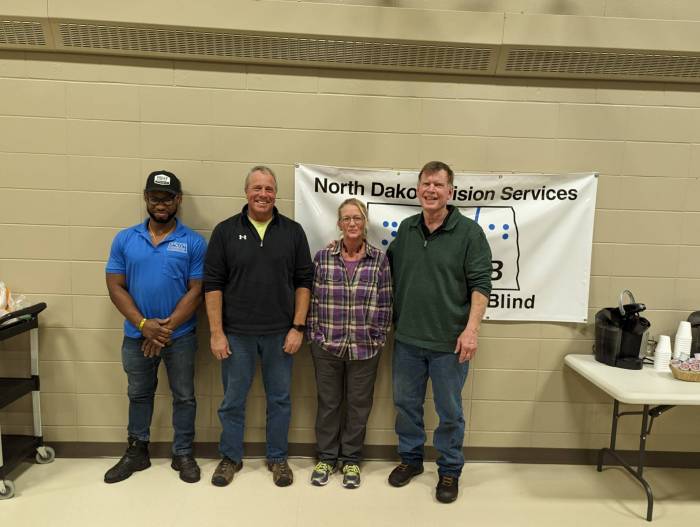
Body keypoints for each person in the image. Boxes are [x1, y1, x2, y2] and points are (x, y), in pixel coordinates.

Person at [386, 161, 492, 503]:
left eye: (438, 185)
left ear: (450, 191)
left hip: (450, 344)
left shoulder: (469, 234)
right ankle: (411, 459)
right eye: (425, 184)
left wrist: (471, 330)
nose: (431, 190)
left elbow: (481, 285)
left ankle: (449, 469)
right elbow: (383, 274)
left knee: (449, 411)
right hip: (407, 341)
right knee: (406, 405)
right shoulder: (406, 230)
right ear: (418, 189)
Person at [203, 165, 313, 488]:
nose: (263, 194)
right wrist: (216, 331)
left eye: (268, 189)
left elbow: (304, 282)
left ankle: (278, 458)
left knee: (280, 399)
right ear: (246, 192)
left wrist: (298, 327)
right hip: (236, 335)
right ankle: (230, 457)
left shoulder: (293, 232)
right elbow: (213, 284)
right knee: (233, 400)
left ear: (276, 193)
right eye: (257, 188)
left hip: (281, 333)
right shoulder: (225, 232)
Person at [104, 170, 206, 484]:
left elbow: (196, 290)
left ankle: (183, 452)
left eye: (167, 198)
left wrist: (164, 330)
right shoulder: (125, 239)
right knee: (138, 395)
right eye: (154, 197)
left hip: (181, 336)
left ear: (178, 200)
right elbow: (115, 286)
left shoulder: (193, 242)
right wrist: (144, 325)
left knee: (184, 396)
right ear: (146, 198)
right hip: (137, 336)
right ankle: (137, 451)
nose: (160, 204)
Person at [306, 198, 392, 489]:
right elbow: (312, 300)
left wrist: (378, 336)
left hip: (365, 348)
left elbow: (386, 302)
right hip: (327, 345)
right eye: (347, 219)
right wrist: (315, 334)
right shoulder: (322, 257)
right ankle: (327, 458)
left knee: (358, 405)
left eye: (357, 218)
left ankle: (351, 460)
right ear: (339, 224)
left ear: (364, 222)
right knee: (329, 404)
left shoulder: (379, 260)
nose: (352, 223)